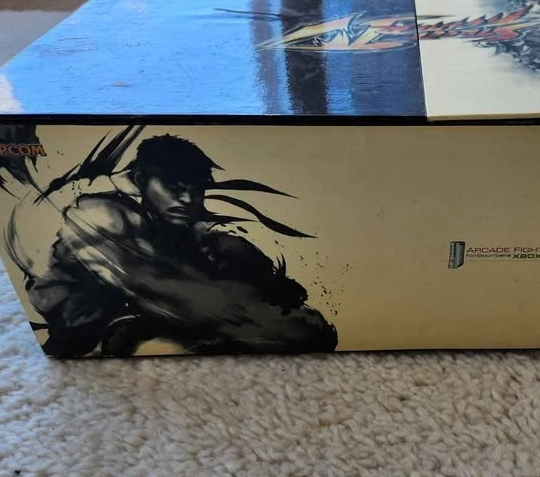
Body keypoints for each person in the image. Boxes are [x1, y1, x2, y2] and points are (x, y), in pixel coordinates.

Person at [27, 134, 337, 357]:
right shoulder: (100, 214)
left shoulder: (177, 216)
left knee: (230, 250)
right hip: (85, 320)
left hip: (153, 304)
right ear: (140, 178)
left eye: (196, 190)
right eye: (175, 187)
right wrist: (274, 325)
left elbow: (213, 261)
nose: (188, 199)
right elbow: (158, 287)